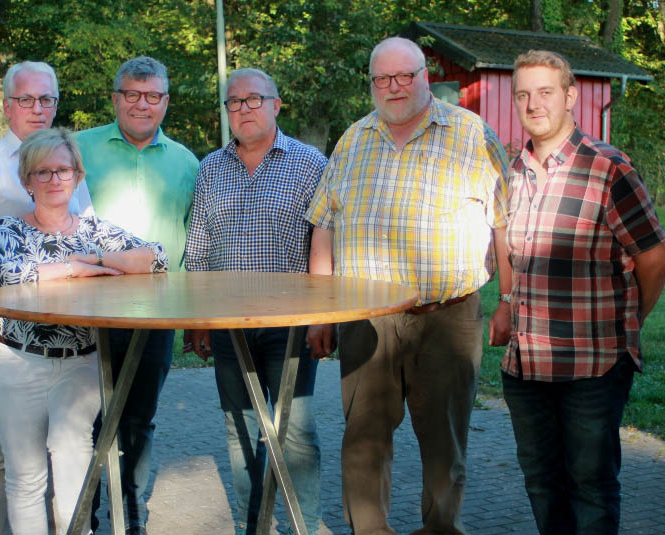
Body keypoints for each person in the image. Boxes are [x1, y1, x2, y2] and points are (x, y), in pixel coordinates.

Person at [305, 37, 511, 535]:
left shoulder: (472, 134)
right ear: (372, 83)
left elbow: (507, 223)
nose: (393, 87)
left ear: (425, 75)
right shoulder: (353, 139)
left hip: (446, 316)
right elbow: (324, 225)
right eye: (382, 79)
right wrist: (319, 311)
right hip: (366, 320)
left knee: (444, 445)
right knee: (362, 443)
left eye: (404, 76)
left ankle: (441, 530)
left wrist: (509, 299)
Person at [490, 50, 665, 535]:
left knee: (590, 488)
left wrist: (630, 321)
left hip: (593, 363)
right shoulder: (512, 171)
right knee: (542, 484)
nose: (532, 103)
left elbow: (653, 258)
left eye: (545, 91)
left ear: (571, 97)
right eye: (523, 93)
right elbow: (504, 243)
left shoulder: (609, 169)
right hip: (525, 366)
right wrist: (506, 302)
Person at [0, 127, 169, 535]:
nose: (54, 180)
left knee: (75, 467)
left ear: (77, 176)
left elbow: (157, 258)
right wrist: (76, 269)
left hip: (81, 365)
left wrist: (95, 256)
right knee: (27, 478)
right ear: (27, 180)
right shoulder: (9, 229)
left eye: (63, 171)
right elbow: (12, 274)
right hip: (18, 363)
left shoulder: (95, 230)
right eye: (43, 172)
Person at [0, 61, 93, 535]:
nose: (38, 109)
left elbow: (88, 238)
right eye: (27, 100)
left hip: (68, 338)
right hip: (8, 338)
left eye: (47, 99)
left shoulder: (67, 161)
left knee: (63, 453)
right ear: (8, 105)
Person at [184, 68, 327, 535]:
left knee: (297, 432)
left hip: (292, 324)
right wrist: (199, 322)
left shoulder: (311, 164)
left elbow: (326, 249)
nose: (243, 109)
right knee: (240, 428)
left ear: (276, 105)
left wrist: (323, 320)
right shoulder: (210, 168)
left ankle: (305, 524)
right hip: (228, 327)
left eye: (254, 100)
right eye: (234, 102)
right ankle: (256, 527)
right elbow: (199, 251)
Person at [77, 55, 199, 535]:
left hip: (156, 313)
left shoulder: (188, 162)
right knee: (85, 421)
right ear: (115, 98)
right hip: (85, 311)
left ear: (166, 102)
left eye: (152, 96)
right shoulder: (79, 150)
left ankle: (131, 517)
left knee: (139, 421)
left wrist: (189, 316)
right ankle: (81, 517)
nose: (141, 104)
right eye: (131, 94)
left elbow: (194, 241)